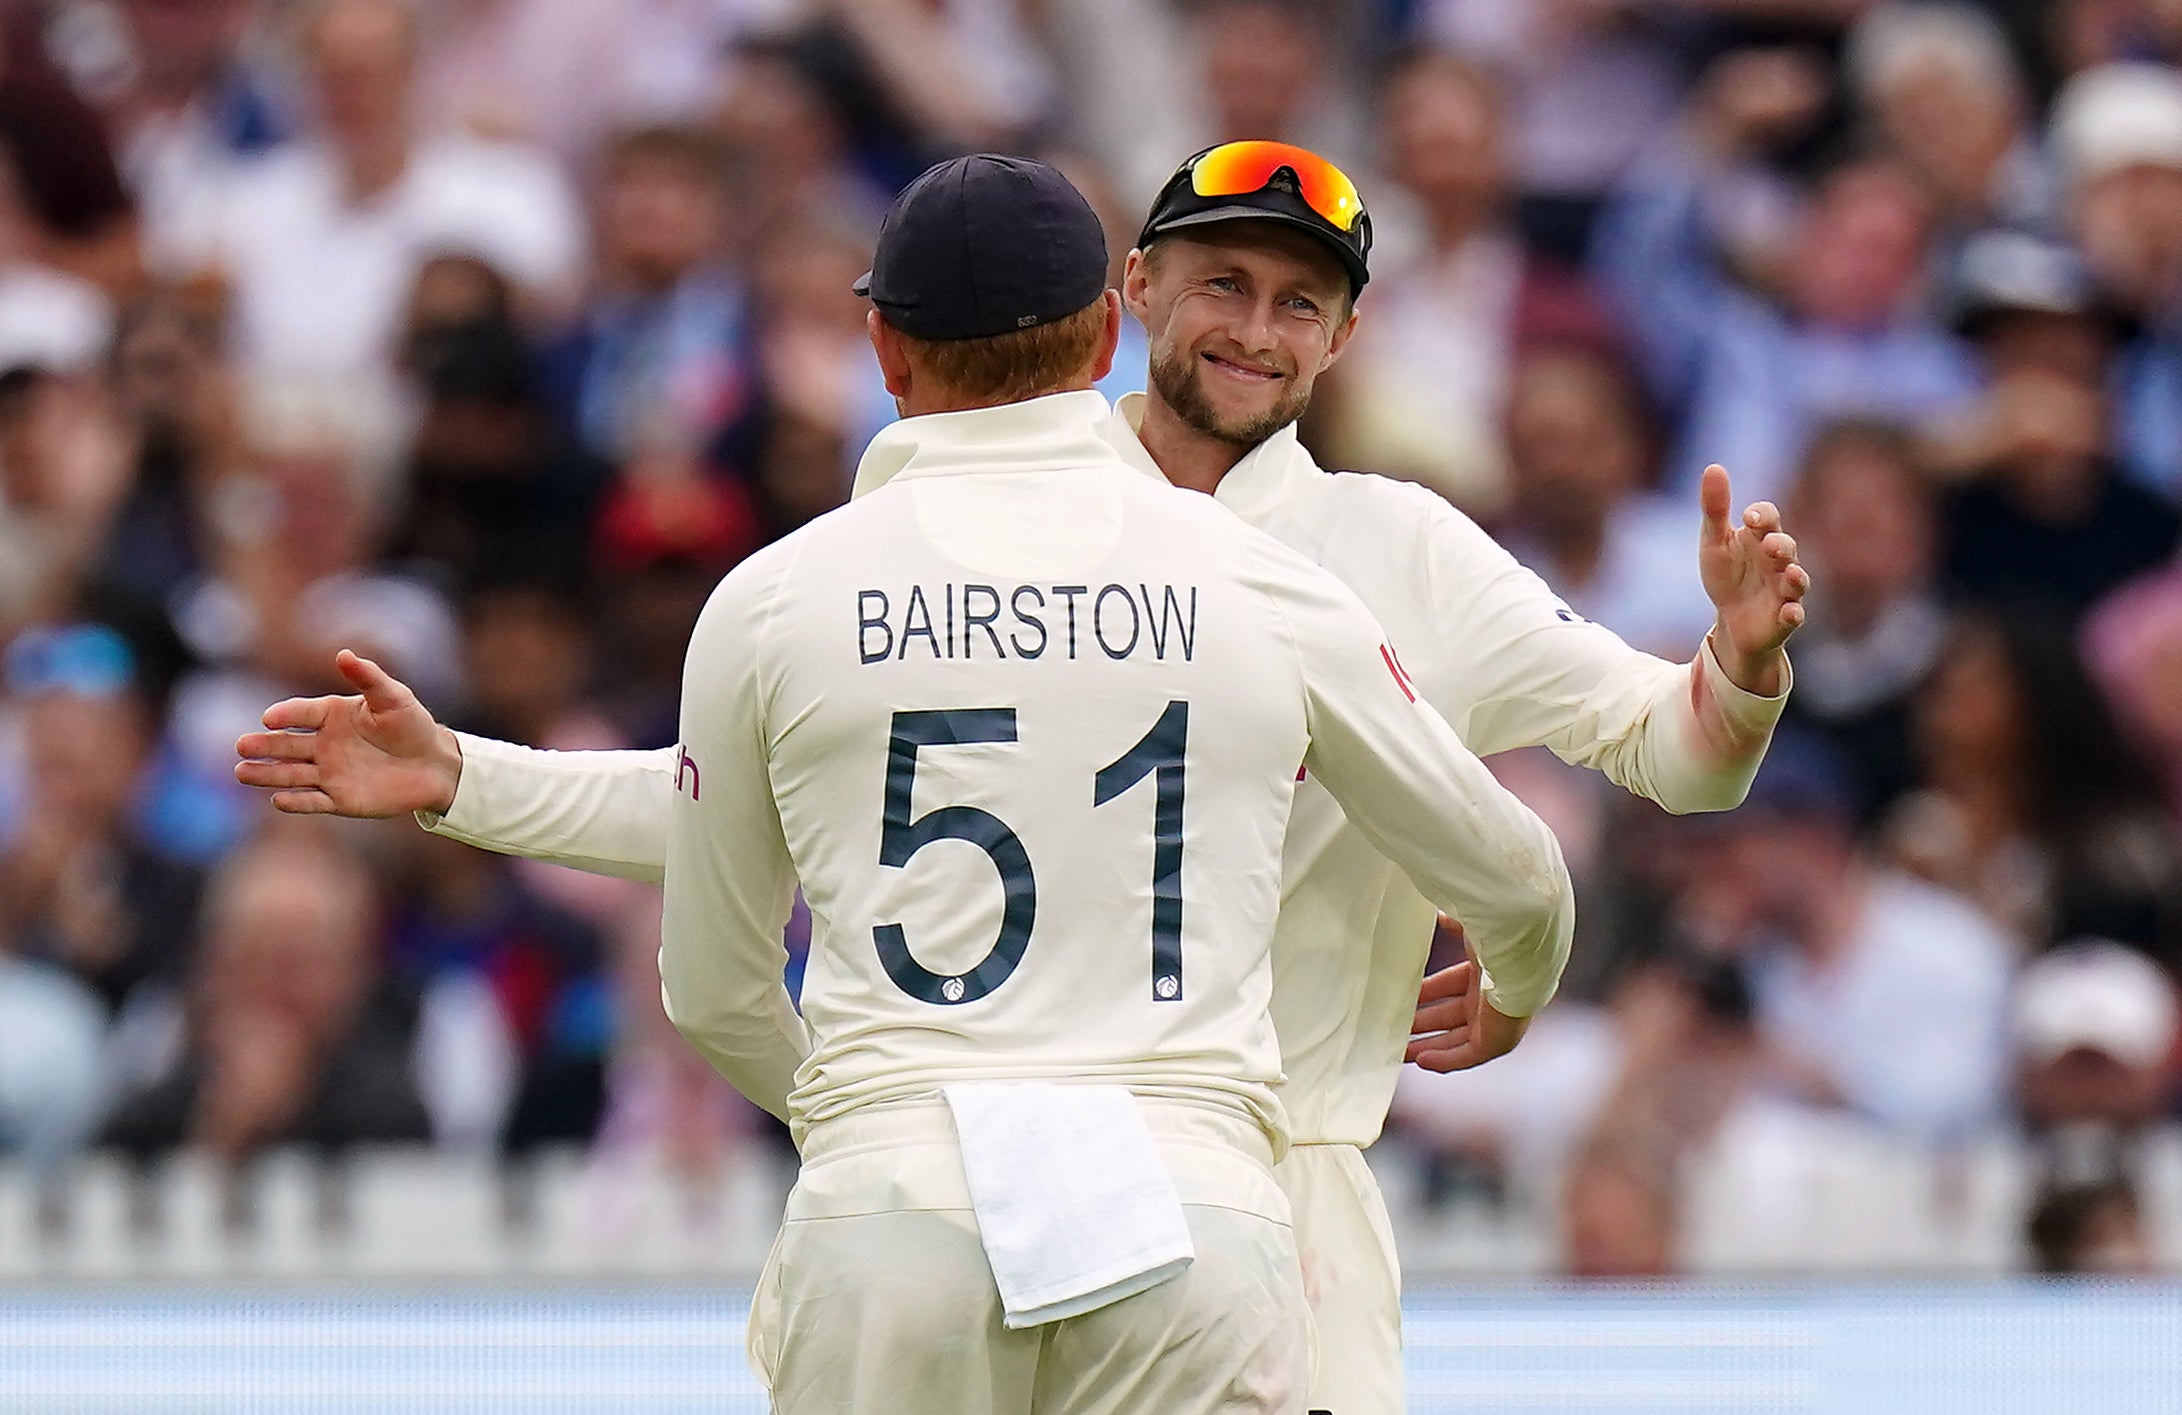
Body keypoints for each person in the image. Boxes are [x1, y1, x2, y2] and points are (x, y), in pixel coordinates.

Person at [238, 141, 1809, 1414]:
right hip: (1181, 1199)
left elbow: (1667, 752)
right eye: (1221, 287)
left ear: (1342, 336)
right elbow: (765, 802)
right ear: (1126, 300)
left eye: (1294, 303)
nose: (1254, 331)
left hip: (1262, 1173)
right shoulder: (1176, 568)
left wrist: (1736, 672)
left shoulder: (1392, 552)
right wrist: (471, 778)